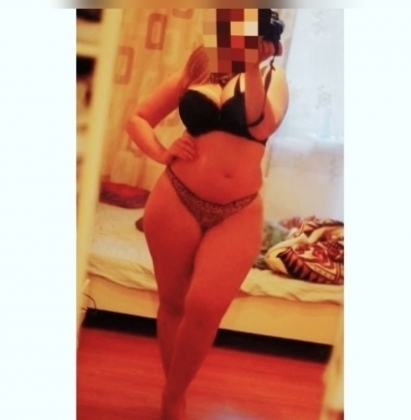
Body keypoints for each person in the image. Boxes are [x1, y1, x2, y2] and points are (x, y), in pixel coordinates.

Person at [126, 29, 289, 420]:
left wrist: (252, 65)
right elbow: (138, 118)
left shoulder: (272, 77)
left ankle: (173, 393)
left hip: (238, 209)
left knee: (205, 307)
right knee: (172, 303)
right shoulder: (198, 66)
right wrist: (161, 152)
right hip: (176, 197)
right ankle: (174, 400)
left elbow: (261, 126)